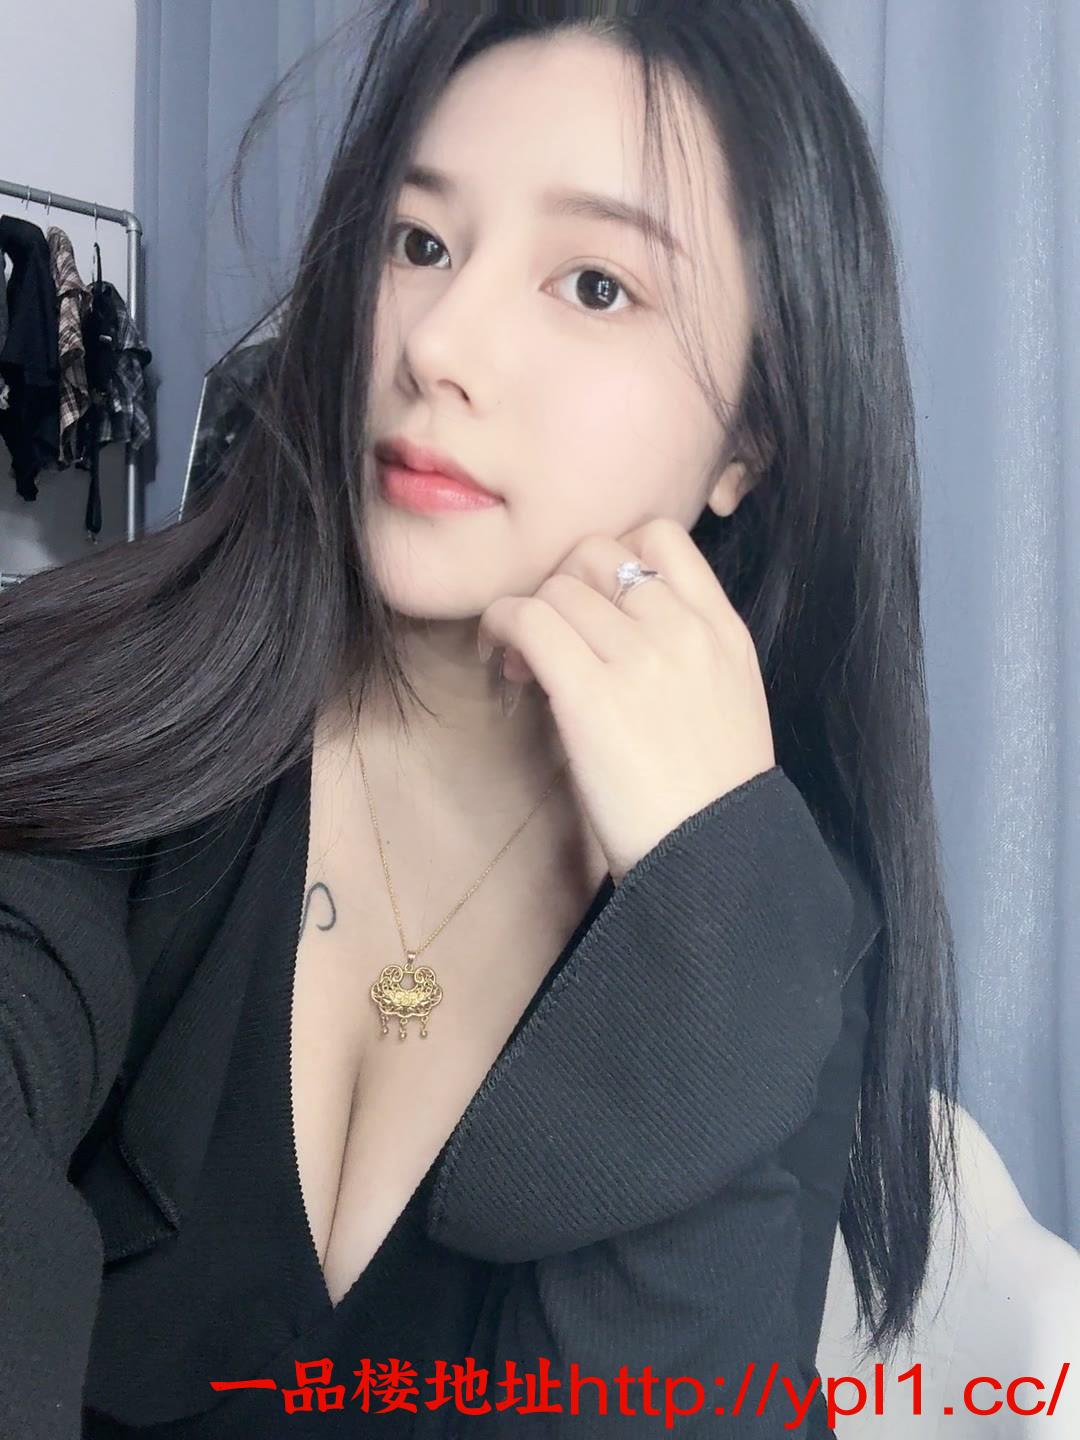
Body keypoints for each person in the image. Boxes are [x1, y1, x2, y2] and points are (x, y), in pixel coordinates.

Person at [0, 3, 962, 1436]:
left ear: (751, 441)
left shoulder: (766, 919)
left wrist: (705, 916)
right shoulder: (106, 701)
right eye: (420, 242)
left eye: (595, 285)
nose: (438, 343)